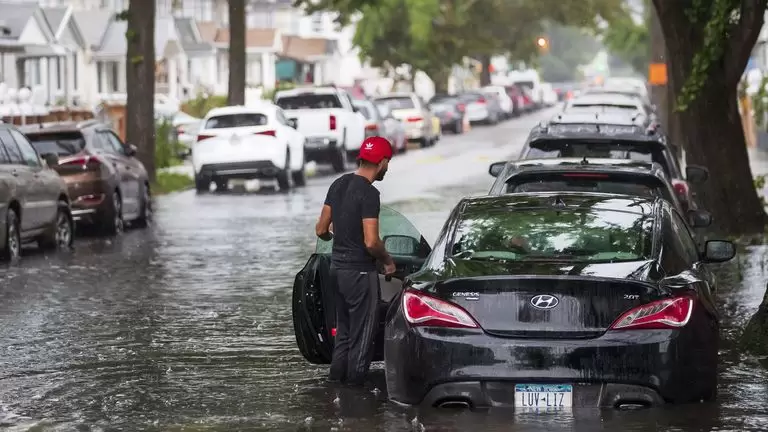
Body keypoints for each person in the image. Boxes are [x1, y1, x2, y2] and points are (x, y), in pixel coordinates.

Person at [314, 136, 396, 385]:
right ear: (381, 163)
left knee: (344, 335)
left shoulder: (338, 184)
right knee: (362, 337)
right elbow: (371, 242)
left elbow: (320, 230)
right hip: (359, 274)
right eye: (388, 162)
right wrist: (388, 261)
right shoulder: (370, 194)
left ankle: (335, 386)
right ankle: (355, 396)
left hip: (337, 270)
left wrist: (336, 235)